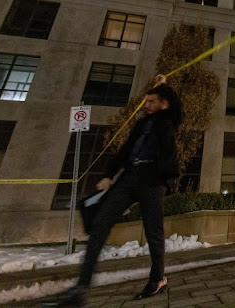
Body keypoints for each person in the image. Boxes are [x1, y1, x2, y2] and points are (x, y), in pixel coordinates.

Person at [43, 76, 181, 306]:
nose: (146, 105)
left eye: (151, 101)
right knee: (99, 225)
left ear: (163, 103)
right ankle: (80, 288)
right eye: (146, 101)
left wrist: (163, 84)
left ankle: (158, 279)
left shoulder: (168, 121)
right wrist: (108, 175)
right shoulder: (140, 124)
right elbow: (125, 150)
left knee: (153, 231)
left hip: (152, 180)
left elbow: (177, 106)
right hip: (129, 178)